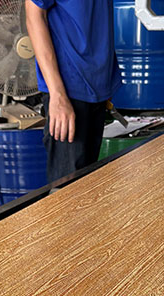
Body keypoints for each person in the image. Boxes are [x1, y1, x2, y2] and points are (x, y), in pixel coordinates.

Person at [25, 0, 122, 183]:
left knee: (87, 186)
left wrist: (106, 80)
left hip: (97, 87)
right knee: (66, 189)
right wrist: (58, 94)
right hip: (68, 88)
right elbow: (33, 14)